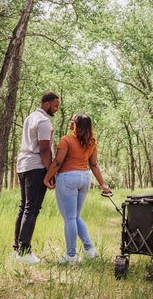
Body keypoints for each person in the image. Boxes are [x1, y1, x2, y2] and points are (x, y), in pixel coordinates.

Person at [43, 113, 111, 264]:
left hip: (68, 178)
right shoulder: (91, 142)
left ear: (79, 125)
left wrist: (46, 178)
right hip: (84, 178)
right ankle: (90, 250)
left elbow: (58, 163)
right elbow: (93, 165)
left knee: (69, 218)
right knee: (75, 217)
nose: (70, 123)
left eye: (73, 121)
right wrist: (102, 184)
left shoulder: (67, 140)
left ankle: (71, 255)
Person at [13, 91, 60, 264]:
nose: (56, 109)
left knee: (24, 207)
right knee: (31, 209)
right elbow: (45, 150)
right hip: (35, 167)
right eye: (55, 106)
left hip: (23, 165)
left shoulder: (30, 117)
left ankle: (17, 250)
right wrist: (50, 173)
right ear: (47, 104)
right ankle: (24, 252)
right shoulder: (43, 121)